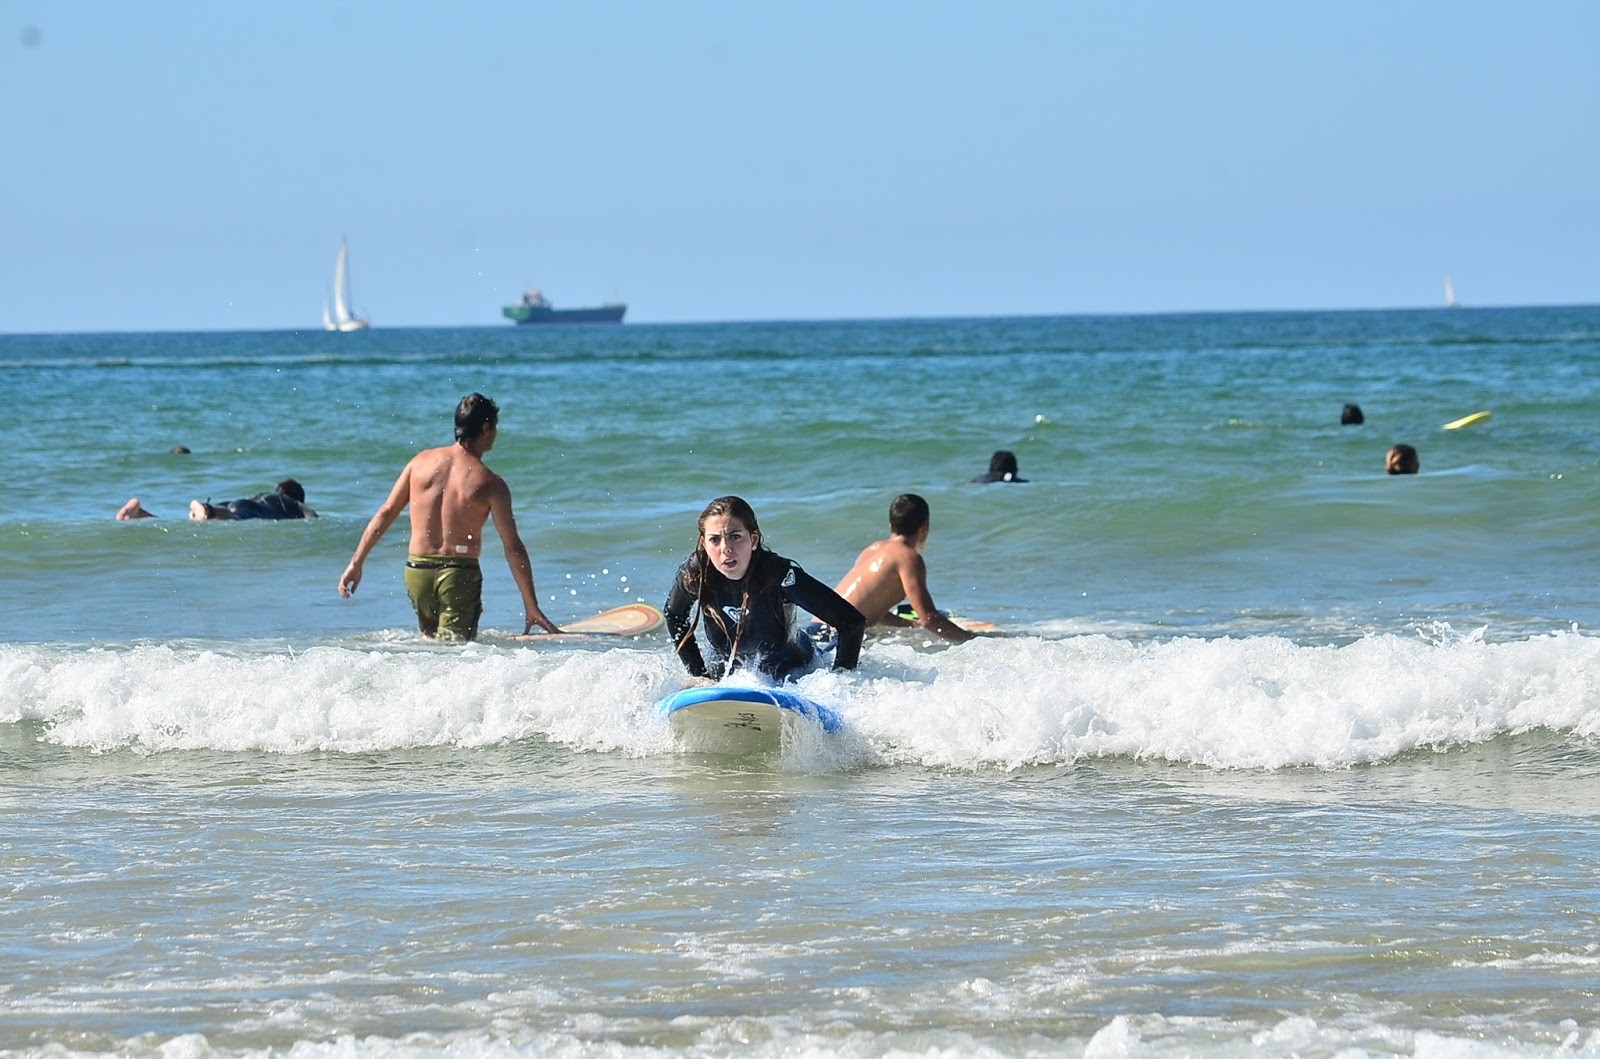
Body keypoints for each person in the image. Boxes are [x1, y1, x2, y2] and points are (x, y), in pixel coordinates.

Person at [337, 393, 559, 642]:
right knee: (454, 651)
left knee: (432, 647)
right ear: (486, 428)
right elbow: (513, 546)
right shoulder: (490, 483)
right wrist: (531, 605)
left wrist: (356, 563)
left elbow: (386, 512)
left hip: (417, 570)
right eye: (495, 427)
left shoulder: (419, 462)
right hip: (458, 574)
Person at [664, 495, 866, 682]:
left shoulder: (779, 574)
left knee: (826, 642)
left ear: (753, 539)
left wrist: (840, 684)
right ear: (703, 543)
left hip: (793, 674)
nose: (725, 548)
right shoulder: (696, 573)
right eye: (714, 539)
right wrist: (700, 676)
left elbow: (851, 622)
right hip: (726, 674)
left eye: (735, 536)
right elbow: (674, 616)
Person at [832, 493, 975, 643]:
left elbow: (871, 611)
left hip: (818, 630)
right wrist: (972, 640)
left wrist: (911, 625)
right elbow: (929, 619)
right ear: (924, 527)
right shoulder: (908, 557)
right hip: (838, 637)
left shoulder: (872, 549)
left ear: (891, 525)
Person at [188, 479, 316, 520]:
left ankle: (201, 508)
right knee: (233, 516)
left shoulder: (266, 496)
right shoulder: (291, 502)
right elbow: (311, 515)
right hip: (252, 509)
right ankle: (208, 510)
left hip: (242, 502)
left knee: (224, 509)